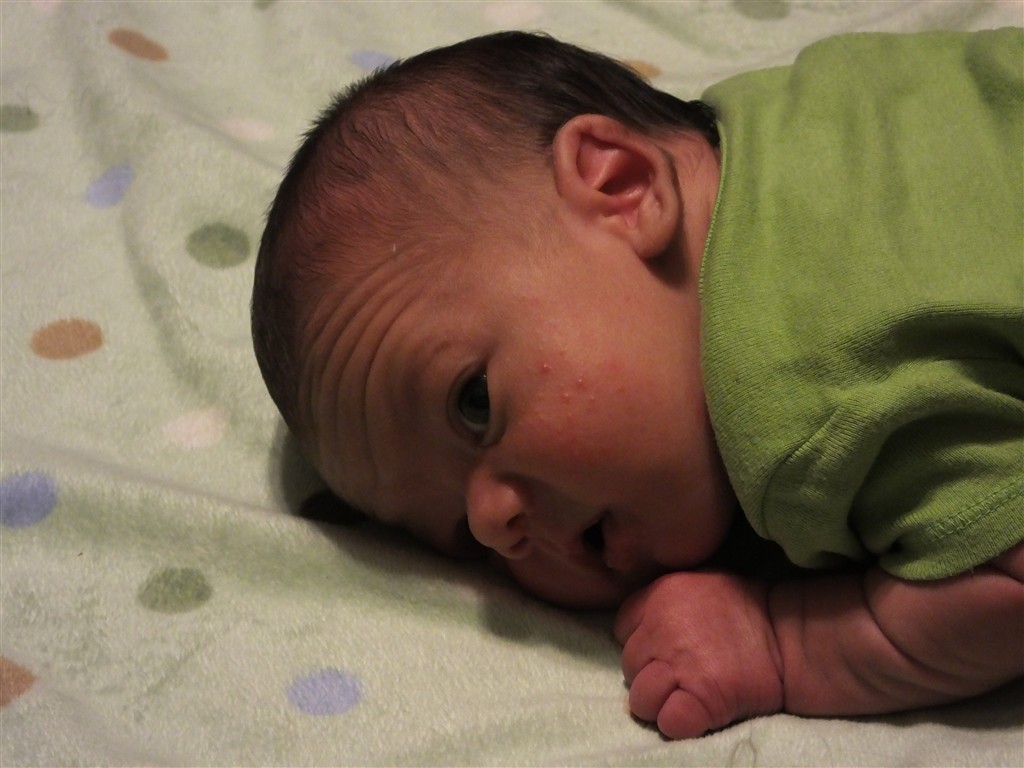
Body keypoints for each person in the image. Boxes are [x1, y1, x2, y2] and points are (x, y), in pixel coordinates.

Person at [251, 29, 1024, 739]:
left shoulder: (801, 408)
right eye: (459, 538)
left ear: (624, 187)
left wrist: (785, 642)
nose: (492, 523)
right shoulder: (776, 115)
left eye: (473, 403)